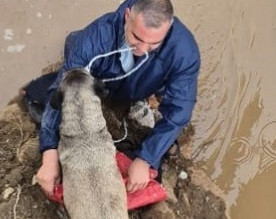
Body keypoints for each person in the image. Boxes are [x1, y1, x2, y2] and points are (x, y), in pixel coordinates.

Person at [34, 0, 200, 199]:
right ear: (127, 16)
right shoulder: (95, 39)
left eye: (154, 43)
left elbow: (179, 113)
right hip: (101, 79)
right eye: (136, 37)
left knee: (166, 104)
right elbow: (61, 90)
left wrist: (145, 159)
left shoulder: (184, 52)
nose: (143, 50)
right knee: (65, 64)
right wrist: (49, 151)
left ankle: (145, 97)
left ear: (169, 27)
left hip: (145, 83)